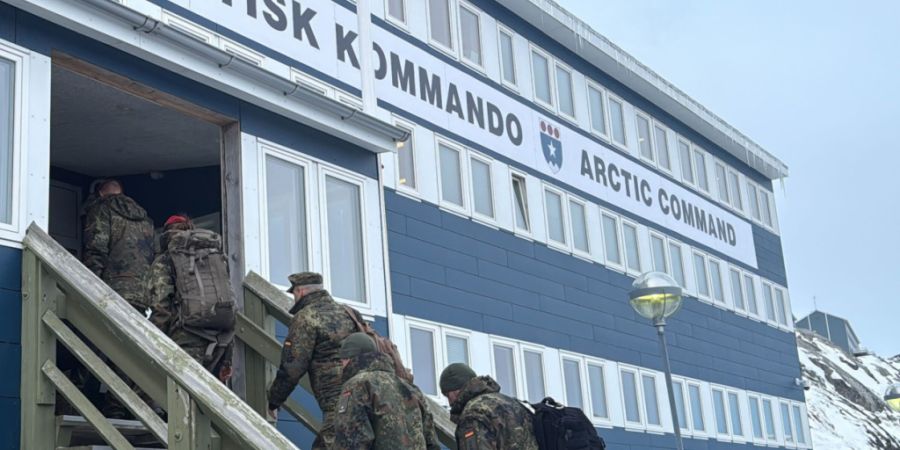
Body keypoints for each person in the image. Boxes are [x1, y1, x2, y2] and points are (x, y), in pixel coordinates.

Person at [267, 272, 360, 450]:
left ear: (300, 292)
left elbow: (292, 367)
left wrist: (274, 400)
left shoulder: (306, 317)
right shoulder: (349, 312)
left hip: (337, 402)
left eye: (294, 293)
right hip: (364, 394)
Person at [146, 215, 234, 383]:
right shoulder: (213, 258)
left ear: (165, 235)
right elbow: (229, 299)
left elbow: (161, 306)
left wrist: (153, 342)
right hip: (220, 341)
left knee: (178, 396)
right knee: (209, 398)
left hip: (185, 338)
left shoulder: (165, 260)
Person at [332, 333, 440, 450]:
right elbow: (432, 442)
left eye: (342, 360)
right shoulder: (411, 388)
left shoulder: (357, 385)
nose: (341, 366)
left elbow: (350, 440)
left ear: (348, 359)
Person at [82, 179, 155, 310]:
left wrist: (92, 286)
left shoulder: (101, 209)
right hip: (143, 292)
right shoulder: (146, 219)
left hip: (112, 290)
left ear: (101, 193)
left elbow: (96, 249)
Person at [440, 363, 539, 450]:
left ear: (454, 390)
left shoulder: (473, 413)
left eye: (447, 395)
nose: (449, 402)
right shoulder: (512, 403)